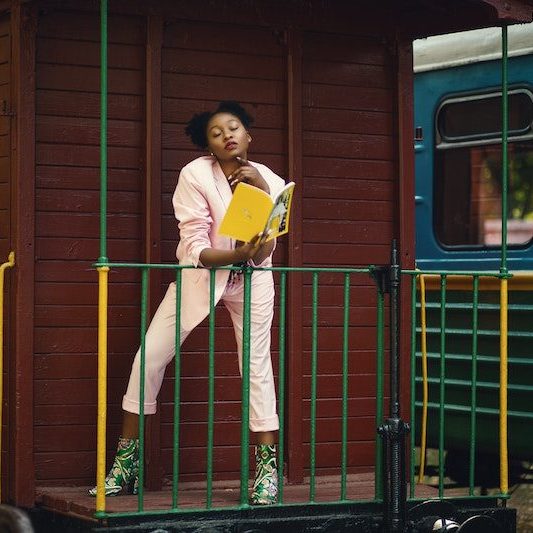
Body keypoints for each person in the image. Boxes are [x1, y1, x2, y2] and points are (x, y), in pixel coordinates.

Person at [90, 101, 284, 505]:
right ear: (209, 147)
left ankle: (267, 473)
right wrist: (234, 255)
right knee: (149, 359)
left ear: (248, 135)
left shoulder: (271, 179)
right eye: (217, 133)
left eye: (234, 127)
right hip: (200, 277)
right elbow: (195, 245)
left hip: (253, 282)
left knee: (256, 366)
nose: (228, 135)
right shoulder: (195, 175)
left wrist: (263, 195)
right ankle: (126, 466)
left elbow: (264, 253)